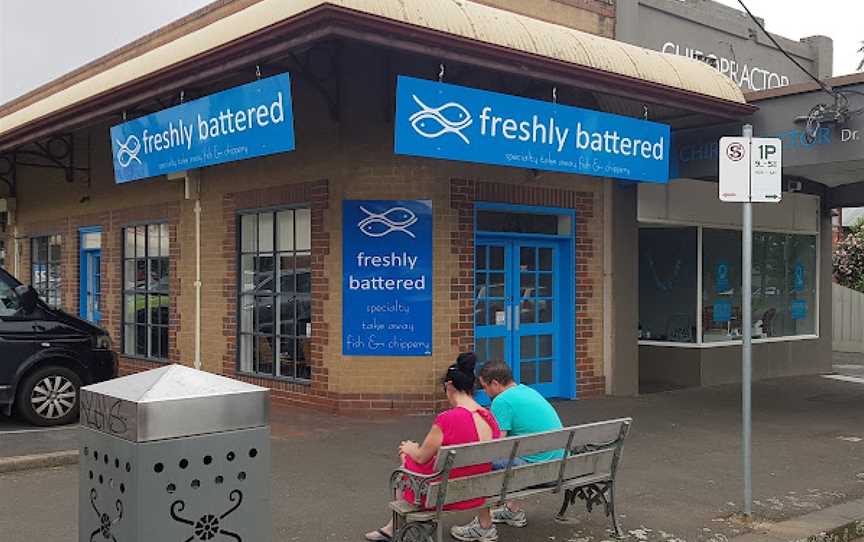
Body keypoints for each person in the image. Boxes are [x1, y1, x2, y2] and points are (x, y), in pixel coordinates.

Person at [365, 353, 502, 542]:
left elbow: (421, 457)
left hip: (444, 493)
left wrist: (408, 447)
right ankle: (485, 524)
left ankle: (394, 526)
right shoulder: (489, 417)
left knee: (407, 459)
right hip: (478, 489)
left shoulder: (448, 419)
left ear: (449, 386)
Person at [452, 361, 563, 536]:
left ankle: (484, 526)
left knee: (479, 460)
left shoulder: (502, 401)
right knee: (519, 452)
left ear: (495, 383)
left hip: (540, 472)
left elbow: (496, 445)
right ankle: (512, 511)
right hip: (560, 466)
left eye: (485, 387)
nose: (485, 392)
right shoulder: (527, 391)